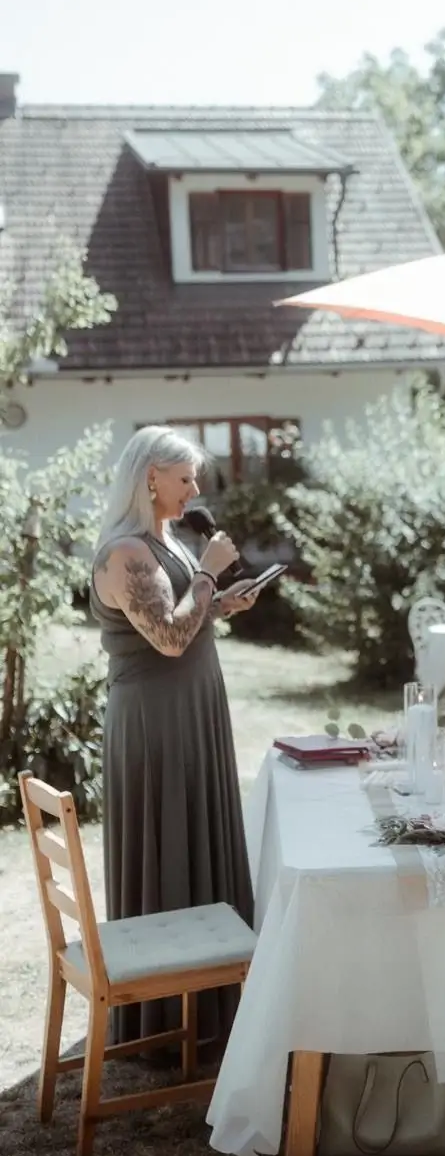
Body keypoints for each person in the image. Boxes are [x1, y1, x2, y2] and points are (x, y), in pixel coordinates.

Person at [91, 426, 259, 1048]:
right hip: (156, 722)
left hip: (193, 709)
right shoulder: (126, 554)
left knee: (199, 834)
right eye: (184, 477)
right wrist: (210, 575)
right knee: (168, 840)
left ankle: (212, 1006)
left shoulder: (162, 541)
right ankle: (164, 1020)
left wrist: (219, 601)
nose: (194, 488)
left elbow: (183, 618)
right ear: (150, 477)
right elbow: (165, 639)